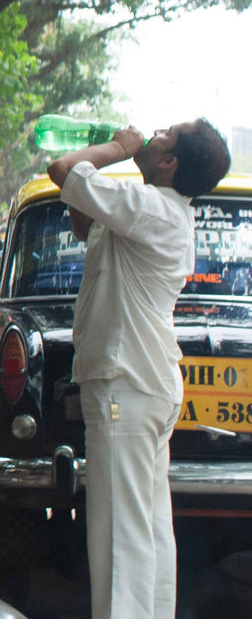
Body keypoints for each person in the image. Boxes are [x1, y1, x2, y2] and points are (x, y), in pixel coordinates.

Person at [47, 118, 230, 619]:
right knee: (146, 530)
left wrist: (117, 146)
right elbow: (84, 218)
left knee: (118, 539)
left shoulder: (153, 209)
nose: (151, 135)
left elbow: (61, 169)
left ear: (169, 162)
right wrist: (101, 180)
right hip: (142, 385)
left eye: (163, 135)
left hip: (125, 387)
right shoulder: (154, 209)